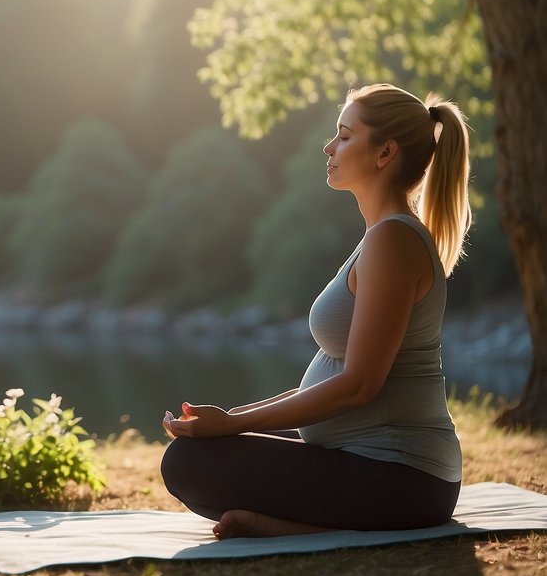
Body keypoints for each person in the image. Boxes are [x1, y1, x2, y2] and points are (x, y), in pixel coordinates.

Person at [160, 83, 471, 539]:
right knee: (210, 447)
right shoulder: (382, 237)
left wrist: (233, 423)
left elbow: (360, 386)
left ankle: (290, 525)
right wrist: (229, 419)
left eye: (344, 135)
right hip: (372, 466)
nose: (329, 147)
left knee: (190, 463)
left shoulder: (393, 241)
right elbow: (335, 380)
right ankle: (291, 521)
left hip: (401, 479)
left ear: (385, 152)